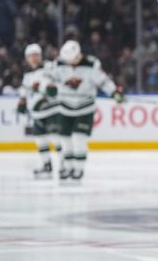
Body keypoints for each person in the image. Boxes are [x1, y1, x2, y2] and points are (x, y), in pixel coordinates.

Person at [48, 39, 125, 181]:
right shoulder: (58, 63)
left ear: (79, 55)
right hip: (64, 106)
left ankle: (79, 169)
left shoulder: (92, 64)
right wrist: (49, 87)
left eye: (73, 60)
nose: (70, 63)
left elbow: (103, 81)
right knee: (64, 139)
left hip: (85, 107)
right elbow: (50, 79)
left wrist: (114, 92)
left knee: (79, 138)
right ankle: (68, 166)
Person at [17, 43, 61, 177]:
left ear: (40, 56)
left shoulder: (49, 67)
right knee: (40, 139)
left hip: (52, 110)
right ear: (27, 58)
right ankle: (47, 165)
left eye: (36, 55)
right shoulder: (28, 74)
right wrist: (22, 102)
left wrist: (48, 94)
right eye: (31, 56)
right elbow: (25, 90)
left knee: (57, 139)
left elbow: (55, 84)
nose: (34, 58)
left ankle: (65, 165)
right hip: (37, 112)